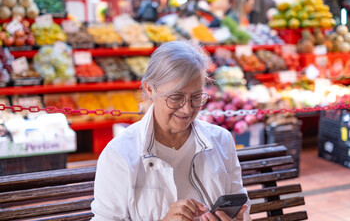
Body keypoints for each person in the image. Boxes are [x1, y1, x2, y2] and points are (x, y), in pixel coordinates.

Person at [91, 41, 251, 221]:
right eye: (176, 97)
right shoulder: (120, 155)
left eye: (196, 97)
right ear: (150, 88)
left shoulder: (222, 140)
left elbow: (241, 206)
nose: (187, 109)